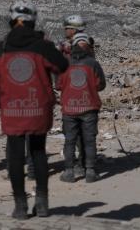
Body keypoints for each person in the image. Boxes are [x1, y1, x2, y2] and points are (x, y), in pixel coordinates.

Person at [0, 0, 68, 219]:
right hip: (38, 108)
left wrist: (1, 100)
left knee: (15, 156)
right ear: (33, 21)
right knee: (38, 152)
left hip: (12, 109)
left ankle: (20, 206)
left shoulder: (1, 48)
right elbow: (62, 66)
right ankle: (42, 203)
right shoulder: (42, 46)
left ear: (12, 21)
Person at [58, 33, 106, 183]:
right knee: (89, 140)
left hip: (69, 108)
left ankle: (69, 171)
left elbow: (58, 85)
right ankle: (90, 171)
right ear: (88, 46)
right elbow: (101, 85)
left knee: (70, 140)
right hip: (89, 107)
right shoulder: (93, 63)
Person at [58, 14, 88, 176]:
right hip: (73, 92)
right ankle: (80, 164)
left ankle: (80, 165)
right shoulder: (75, 44)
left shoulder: (81, 45)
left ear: (74, 29)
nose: (65, 30)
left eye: (67, 28)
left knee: (76, 130)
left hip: (76, 93)